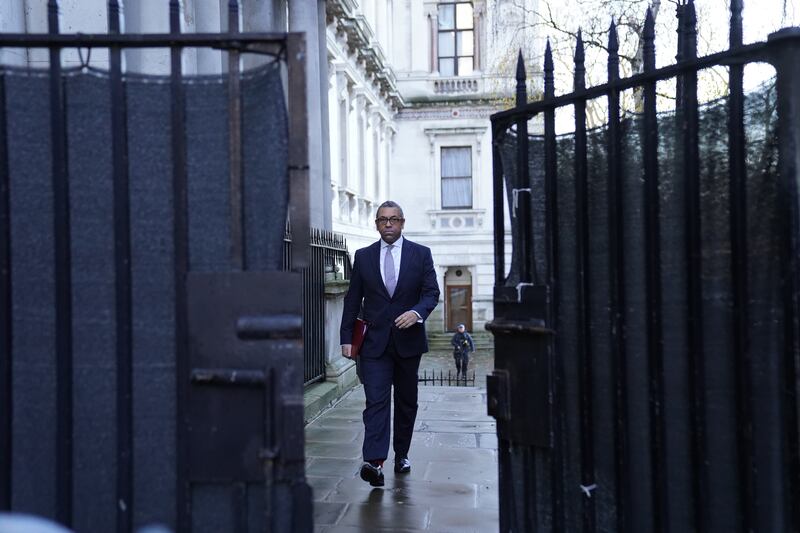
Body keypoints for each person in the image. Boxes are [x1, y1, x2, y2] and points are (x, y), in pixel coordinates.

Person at [340, 201, 440, 487]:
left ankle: (402, 454)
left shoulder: (421, 255)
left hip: (408, 343)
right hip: (374, 345)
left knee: (407, 403)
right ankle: (374, 461)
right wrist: (346, 338)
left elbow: (431, 292)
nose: (388, 224)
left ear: (402, 223)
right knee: (376, 401)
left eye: (393, 219)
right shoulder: (363, 256)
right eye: (383, 220)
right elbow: (352, 299)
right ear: (376, 224)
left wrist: (417, 312)